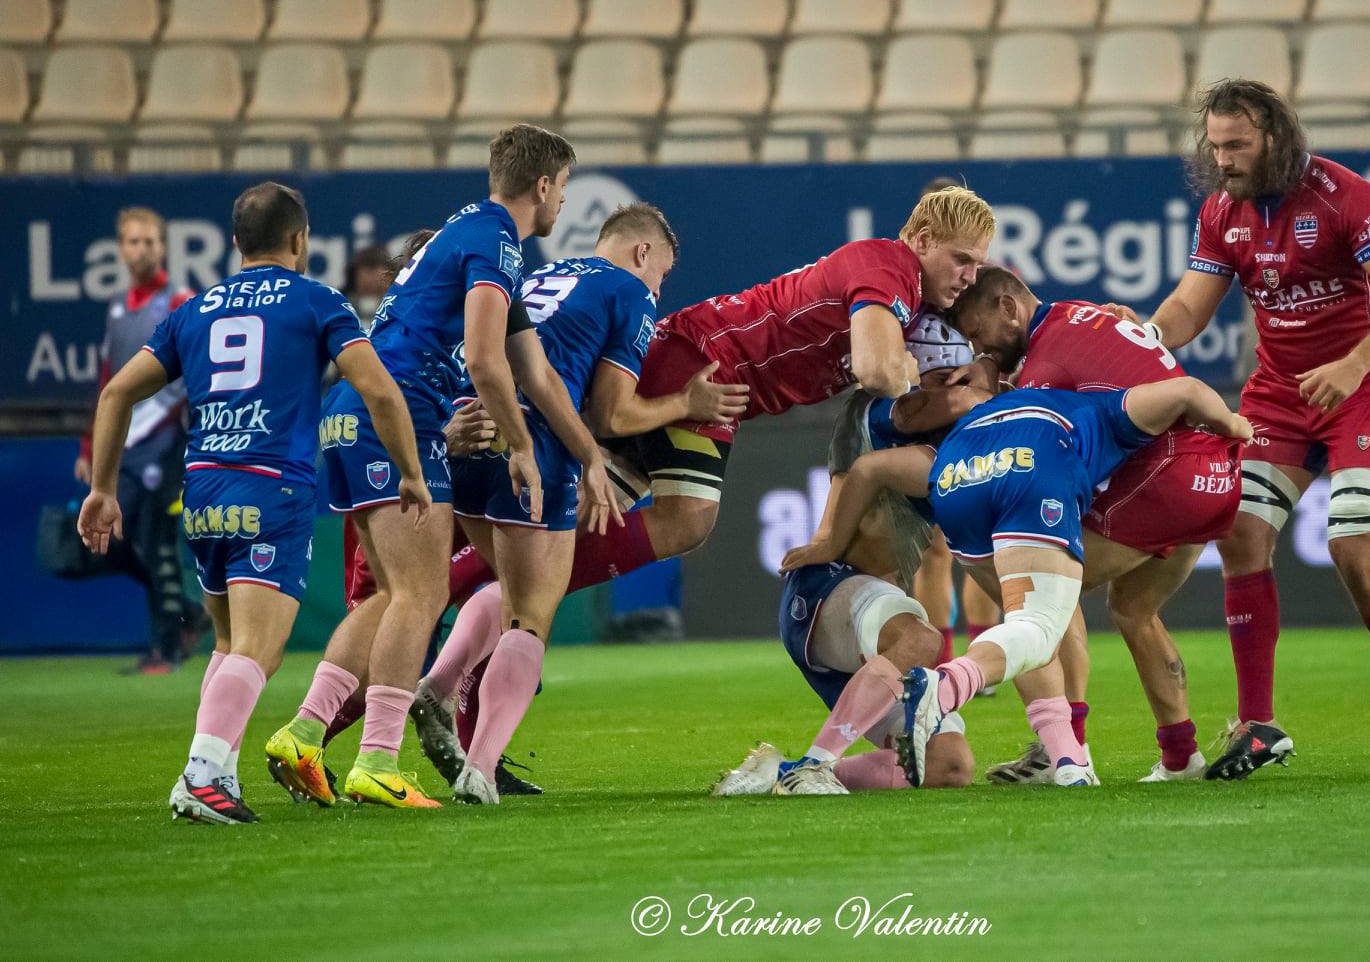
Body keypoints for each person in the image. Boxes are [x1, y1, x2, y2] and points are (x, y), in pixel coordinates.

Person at [1122, 79, 1370, 779]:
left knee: (1354, 552)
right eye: (1216, 147)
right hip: (1278, 394)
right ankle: (1258, 725)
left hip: (1364, 388)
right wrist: (1147, 336)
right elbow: (1192, 303)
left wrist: (1356, 361)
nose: (1225, 160)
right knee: (1240, 533)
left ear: (1276, 136)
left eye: (1238, 145)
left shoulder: (1346, 197)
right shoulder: (1222, 209)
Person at [265, 124, 597, 809]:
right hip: (399, 412)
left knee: (393, 593)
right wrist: (525, 449)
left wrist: (588, 455)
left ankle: (303, 732)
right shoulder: (496, 241)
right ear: (543, 185)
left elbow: (533, 369)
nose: (563, 201)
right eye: (563, 187)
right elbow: (484, 360)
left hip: (353, 408)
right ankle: (377, 761)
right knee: (422, 594)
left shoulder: (475, 235)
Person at [77, 182, 427, 824]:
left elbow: (114, 396)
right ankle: (203, 775)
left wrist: (102, 489)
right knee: (258, 651)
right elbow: (378, 390)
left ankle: (215, 777)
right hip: (272, 487)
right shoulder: (319, 302)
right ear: (301, 240)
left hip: (204, 488)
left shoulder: (194, 309)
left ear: (236, 243)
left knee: (227, 641)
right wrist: (410, 470)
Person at [409, 202, 747, 804]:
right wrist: (685, 405)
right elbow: (613, 414)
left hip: (462, 433)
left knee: (502, 587)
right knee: (530, 614)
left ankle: (436, 685)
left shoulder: (535, 275)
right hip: (531, 443)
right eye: (663, 274)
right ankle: (478, 767)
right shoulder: (628, 292)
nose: (659, 288)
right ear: (644, 252)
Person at [784, 382, 1253, 787]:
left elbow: (870, 468)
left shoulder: (946, 446)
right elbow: (1188, 389)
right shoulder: (1090, 407)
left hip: (956, 491)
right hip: (832, 589)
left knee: (954, 759)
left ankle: (1069, 759)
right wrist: (1235, 425)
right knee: (995, 628)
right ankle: (934, 693)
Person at [560, 186, 997, 595]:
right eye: (962, 259)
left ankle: (513, 586)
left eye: (978, 265)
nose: (970, 276)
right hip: (707, 362)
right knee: (688, 519)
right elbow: (876, 372)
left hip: (696, 355)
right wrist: (908, 372)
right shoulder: (891, 268)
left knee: (578, 512)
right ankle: (532, 586)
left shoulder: (904, 287)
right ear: (922, 241)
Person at [948, 266, 1244, 782]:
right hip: (1213, 474)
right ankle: (1181, 756)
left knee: (1042, 584)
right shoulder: (1076, 318)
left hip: (1169, 471)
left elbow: (1040, 443)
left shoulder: (1046, 363)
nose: (982, 351)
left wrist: (992, 393)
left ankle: (1067, 749)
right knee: (1132, 609)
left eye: (979, 335)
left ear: (1008, 309)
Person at [714, 312, 990, 797]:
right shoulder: (884, 410)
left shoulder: (937, 439)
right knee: (922, 640)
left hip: (867, 618)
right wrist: (984, 382)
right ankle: (814, 767)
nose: (955, 392)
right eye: (944, 378)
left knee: (947, 765)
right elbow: (919, 415)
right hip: (829, 590)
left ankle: (778, 774)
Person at [74, 206, 205, 674]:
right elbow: (108, 381)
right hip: (125, 447)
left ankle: (167, 645)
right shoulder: (117, 307)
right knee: (125, 543)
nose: (142, 249)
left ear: (163, 246)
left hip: (168, 443)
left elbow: (195, 372)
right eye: (134, 241)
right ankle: (189, 613)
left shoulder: (179, 300)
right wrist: (92, 448)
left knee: (155, 541)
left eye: (150, 241)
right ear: (121, 248)